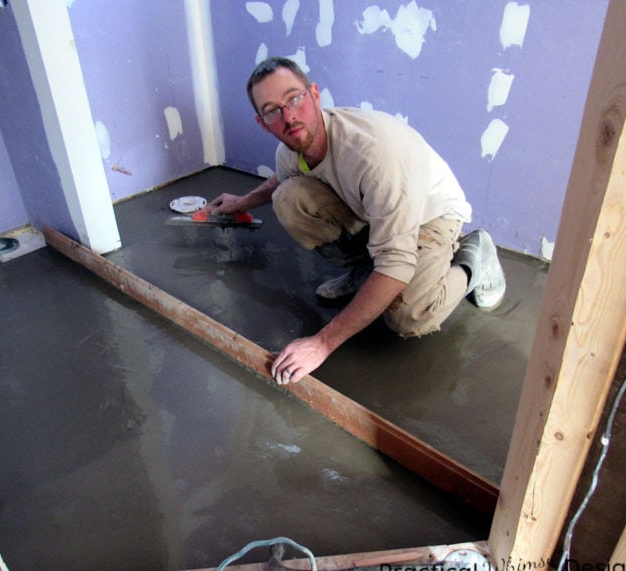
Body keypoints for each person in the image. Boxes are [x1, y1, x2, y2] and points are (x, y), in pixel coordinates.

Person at [208, 56, 505, 386]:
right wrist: (242, 202)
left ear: (315, 94)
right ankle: (366, 271)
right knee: (290, 198)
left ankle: (473, 257)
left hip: (430, 214)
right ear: (262, 122)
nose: (288, 116)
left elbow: (396, 263)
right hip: (378, 208)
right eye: (273, 110)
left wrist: (322, 343)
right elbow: (281, 180)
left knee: (408, 316)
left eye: (294, 99)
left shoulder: (373, 156)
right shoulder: (291, 150)